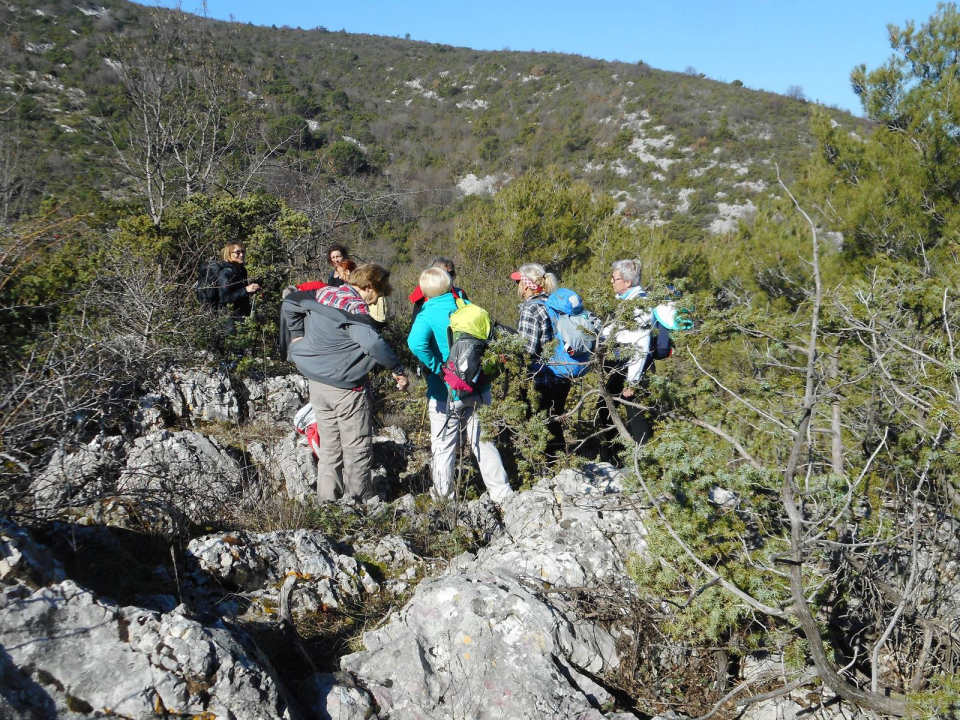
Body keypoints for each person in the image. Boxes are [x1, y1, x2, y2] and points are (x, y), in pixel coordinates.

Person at [281, 263, 409, 502]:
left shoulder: (325, 293)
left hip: (317, 385)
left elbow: (290, 302)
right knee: (357, 448)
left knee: (330, 448)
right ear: (369, 287)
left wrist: (297, 335)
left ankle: (327, 503)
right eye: (379, 294)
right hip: (346, 390)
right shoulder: (353, 308)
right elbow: (373, 343)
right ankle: (358, 505)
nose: (376, 301)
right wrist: (397, 370)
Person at [407, 267, 513, 503]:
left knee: (444, 445)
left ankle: (444, 499)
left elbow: (415, 344)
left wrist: (439, 369)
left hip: (445, 393)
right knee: (483, 442)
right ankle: (502, 494)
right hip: (478, 387)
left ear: (424, 290)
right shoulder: (468, 306)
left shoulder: (426, 314)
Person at [512, 262, 569, 457]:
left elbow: (526, 350)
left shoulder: (531, 309)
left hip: (541, 379)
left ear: (527, 285)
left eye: (518, 282)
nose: (517, 286)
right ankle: (560, 464)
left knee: (539, 427)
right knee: (554, 424)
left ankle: (545, 468)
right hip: (563, 375)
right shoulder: (555, 304)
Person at [600, 259, 653, 452]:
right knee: (605, 405)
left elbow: (641, 342)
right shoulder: (627, 301)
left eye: (615, 278)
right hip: (623, 365)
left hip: (635, 366)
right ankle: (618, 454)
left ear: (628, 282)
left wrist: (633, 381)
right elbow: (620, 331)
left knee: (634, 413)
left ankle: (641, 459)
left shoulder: (640, 305)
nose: (611, 281)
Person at [408, 257, 468, 322]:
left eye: (451, 273)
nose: (449, 277)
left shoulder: (460, 293)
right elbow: (415, 323)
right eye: (445, 274)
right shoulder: (422, 295)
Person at [217, 242, 260, 322]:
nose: (241, 255)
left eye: (243, 252)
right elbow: (224, 298)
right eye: (237, 252)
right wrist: (246, 289)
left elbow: (241, 298)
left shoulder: (242, 270)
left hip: (242, 316)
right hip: (229, 319)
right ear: (229, 254)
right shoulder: (226, 272)